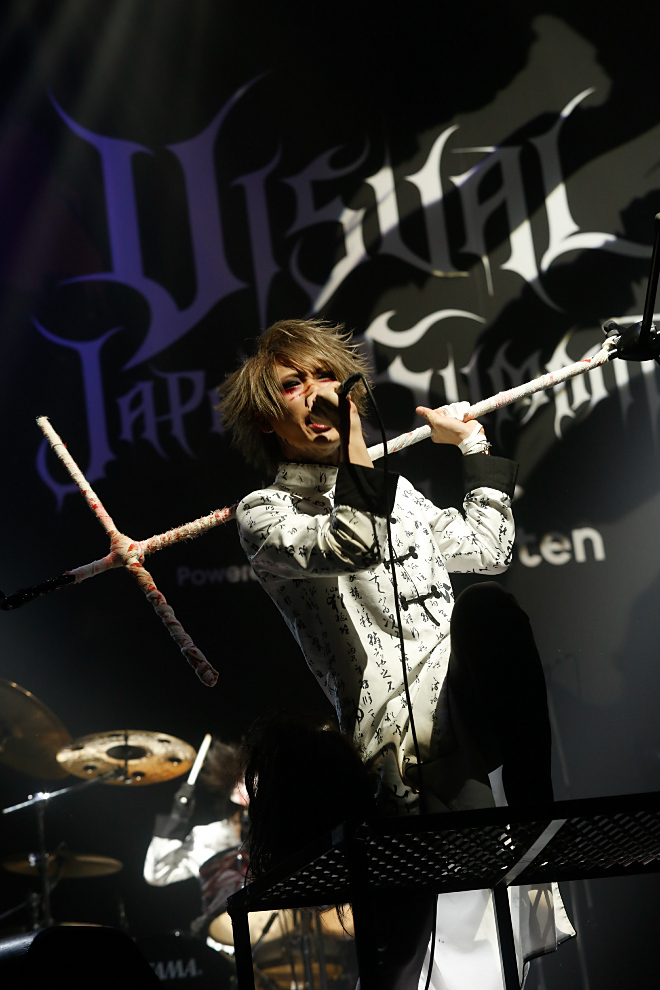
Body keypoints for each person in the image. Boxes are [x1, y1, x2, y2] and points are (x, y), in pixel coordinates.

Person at [219, 319, 574, 989]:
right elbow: (348, 543)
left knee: (486, 607)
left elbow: (488, 550)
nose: (317, 392)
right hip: (395, 755)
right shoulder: (264, 514)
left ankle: (536, 820)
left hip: (465, 713)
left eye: (326, 376)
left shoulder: (398, 494)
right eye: (293, 385)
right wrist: (356, 443)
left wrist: (471, 444)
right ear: (269, 418)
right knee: (428, 960)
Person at [143, 740, 252, 948]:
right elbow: (156, 873)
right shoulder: (209, 837)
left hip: (280, 946)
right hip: (223, 945)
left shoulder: (277, 836)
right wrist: (177, 818)